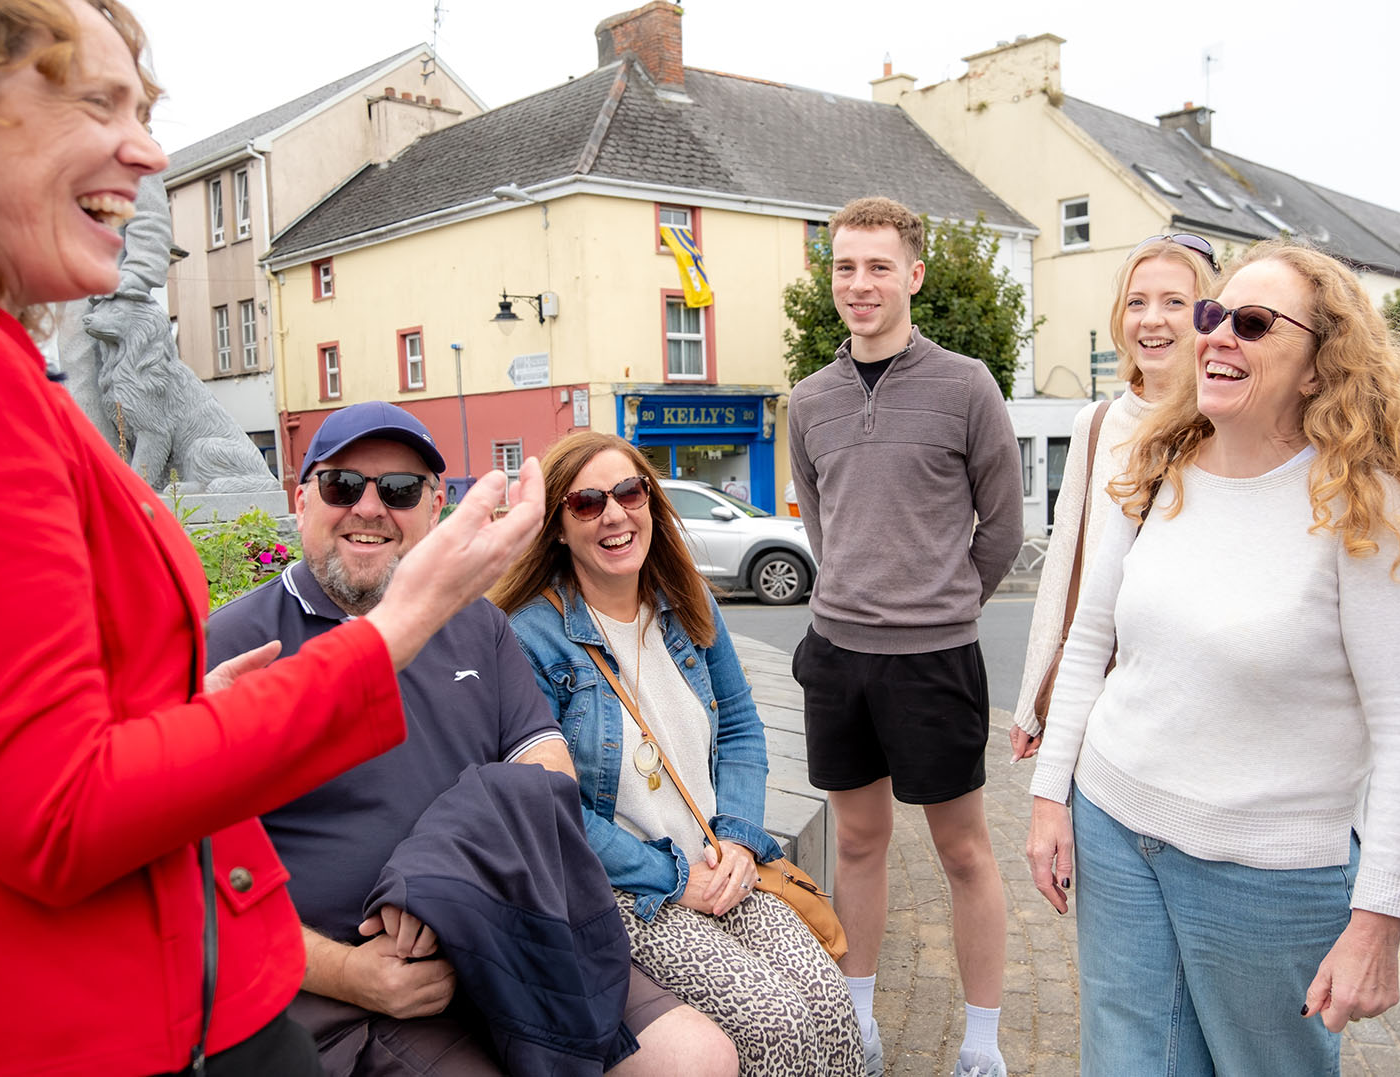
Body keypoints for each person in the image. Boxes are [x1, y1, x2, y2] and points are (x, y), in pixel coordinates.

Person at [0, 4, 542, 1073]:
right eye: (95, 101)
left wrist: (191, 712)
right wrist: (409, 616)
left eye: (143, 111)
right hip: (68, 1023)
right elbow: (55, 814)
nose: (146, 151)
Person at [1025, 238, 1400, 1074]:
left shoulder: (1365, 503)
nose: (1218, 335)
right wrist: (1051, 796)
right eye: (1213, 314)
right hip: (1115, 828)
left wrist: (1379, 918)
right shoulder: (1157, 463)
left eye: (1254, 323)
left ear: (1317, 367)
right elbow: (1092, 636)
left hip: (1268, 877)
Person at [206, 403, 736, 1076]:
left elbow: (547, 771)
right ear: (301, 496)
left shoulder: (474, 623)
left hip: (509, 929)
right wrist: (350, 973)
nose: (370, 508)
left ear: (435, 508)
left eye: (399, 490)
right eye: (344, 485)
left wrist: (433, 878)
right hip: (356, 988)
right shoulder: (232, 646)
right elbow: (193, 890)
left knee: (700, 1058)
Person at [492, 432, 863, 1076]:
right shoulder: (532, 638)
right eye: (585, 503)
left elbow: (743, 727)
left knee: (830, 1002)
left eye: (629, 492)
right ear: (556, 528)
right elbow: (553, 810)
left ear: (650, 503)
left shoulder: (686, 599)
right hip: (627, 891)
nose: (614, 515)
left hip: (717, 863)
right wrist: (671, 877)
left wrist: (741, 840)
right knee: (775, 1024)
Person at [787, 196, 1024, 1077]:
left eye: (878, 266)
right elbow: (824, 525)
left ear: (913, 275)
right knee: (856, 842)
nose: (860, 284)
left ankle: (984, 1043)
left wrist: (944, 598)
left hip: (934, 659)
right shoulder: (808, 400)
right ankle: (861, 1022)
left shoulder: (966, 385)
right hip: (838, 656)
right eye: (846, 267)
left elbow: (1000, 526)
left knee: (963, 850)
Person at [1009, 235, 1217, 761]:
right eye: (1136, 302)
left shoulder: (1232, 424)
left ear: (1212, 316)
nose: (1152, 319)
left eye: (1175, 302)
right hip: (1097, 691)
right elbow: (1063, 564)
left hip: (1195, 699)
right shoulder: (1096, 426)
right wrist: (1034, 698)